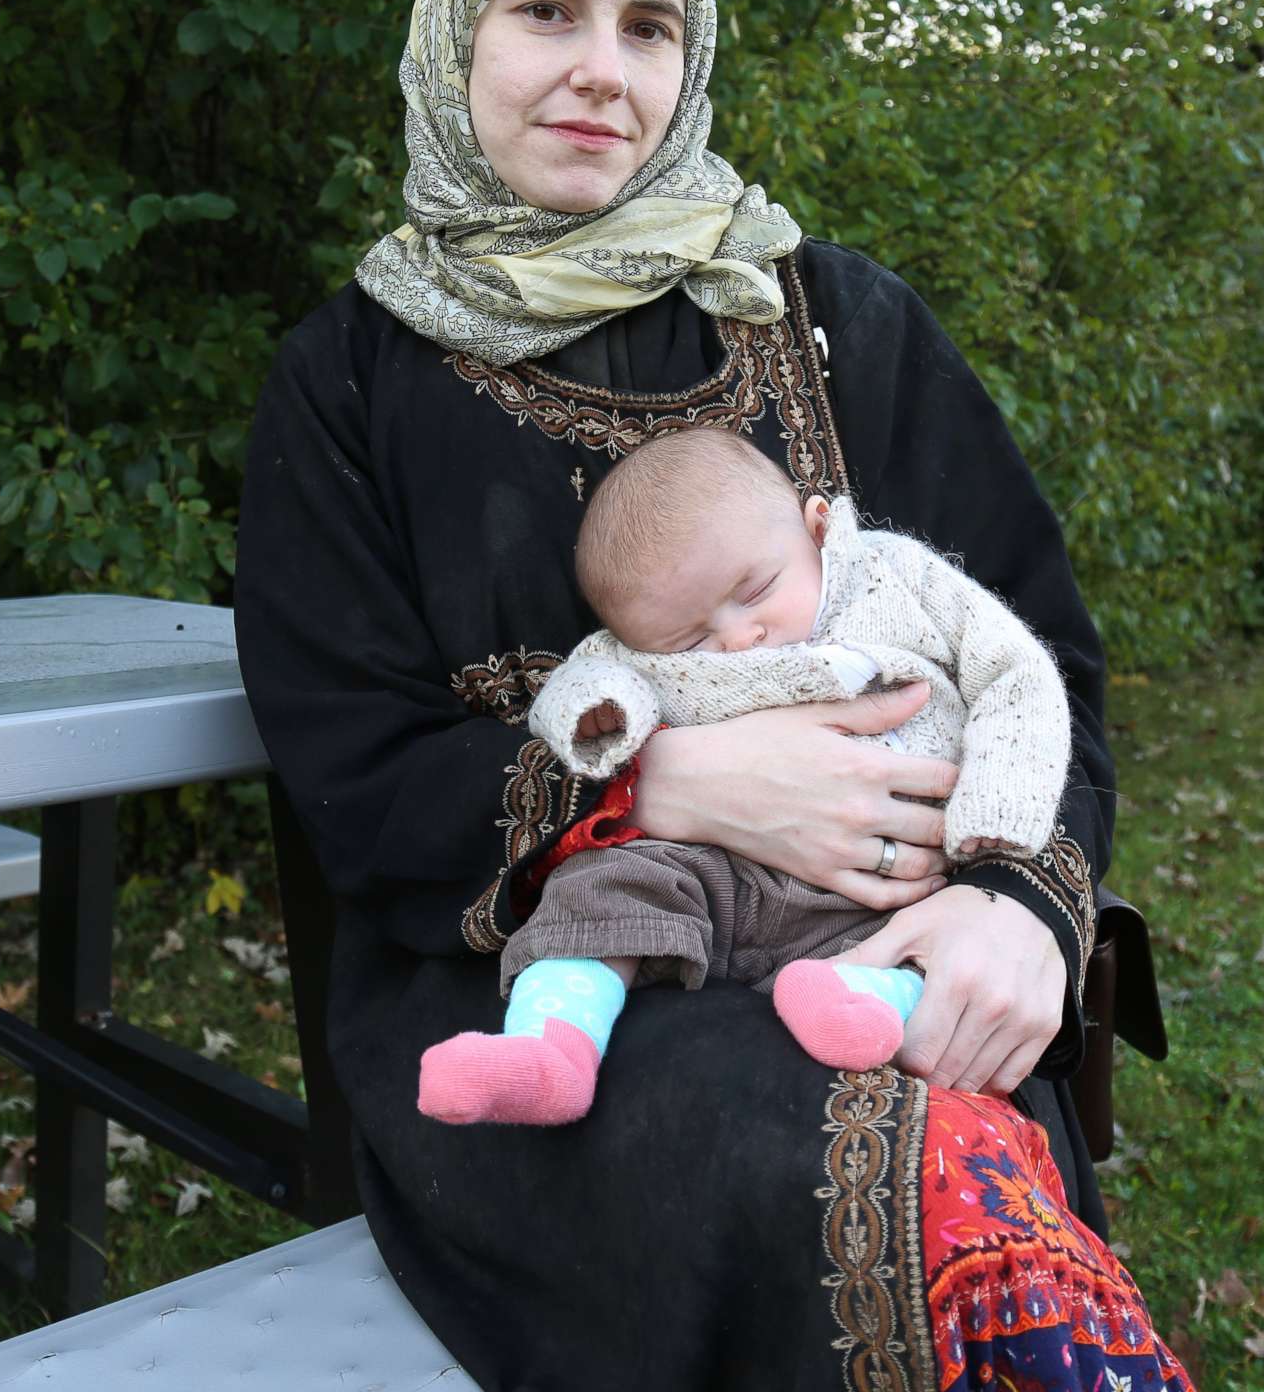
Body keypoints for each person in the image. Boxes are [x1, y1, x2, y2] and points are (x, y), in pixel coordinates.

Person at [237, 0, 1206, 1392]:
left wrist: (1025, 908)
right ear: (454, 29)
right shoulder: (349, 380)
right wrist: (660, 788)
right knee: (865, 1168)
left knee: (942, 1135)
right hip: (543, 999)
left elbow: (1044, 664)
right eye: (545, 9)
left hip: (901, 934)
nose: (600, 70)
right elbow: (351, 772)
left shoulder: (841, 321)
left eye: (649, 25)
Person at [417, 428, 1073, 1124]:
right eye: (690, 640)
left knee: (925, 948)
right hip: (708, 866)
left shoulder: (896, 579)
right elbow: (589, 678)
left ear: (817, 525)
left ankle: (862, 1004)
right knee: (598, 888)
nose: (735, 637)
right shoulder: (638, 648)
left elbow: (1013, 668)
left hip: (881, 888)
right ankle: (552, 1047)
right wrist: (598, 714)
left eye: (756, 590)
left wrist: (998, 805)